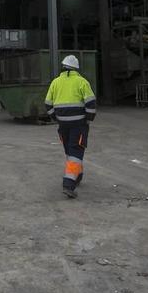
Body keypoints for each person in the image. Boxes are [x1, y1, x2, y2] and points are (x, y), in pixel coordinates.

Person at [44, 55, 97, 198]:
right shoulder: (82, 82)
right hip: (78, 124)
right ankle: (68, 184)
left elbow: (48, 104)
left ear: (63, 66)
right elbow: (91, 103)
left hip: (63, 124)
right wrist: (89, 119)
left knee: (70, 150)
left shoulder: (55, 82)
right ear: (76, 68)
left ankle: (77, 175)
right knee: (76, 151)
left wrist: (55, 118)